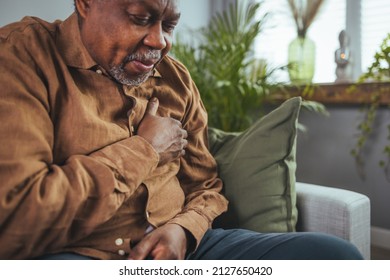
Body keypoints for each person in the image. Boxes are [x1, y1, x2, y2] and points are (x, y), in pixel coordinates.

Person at [0, 0, 363, 260]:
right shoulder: (21, 56)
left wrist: (184, 231)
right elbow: (17, 218)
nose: (160, 42)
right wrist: (146, 148)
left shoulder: (176, 79)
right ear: (85, 3)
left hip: (194, 250)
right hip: (79, 254)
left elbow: (206, 185)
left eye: (168, 24)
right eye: (140, 18)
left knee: (335, 256)